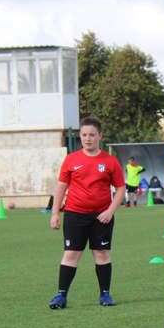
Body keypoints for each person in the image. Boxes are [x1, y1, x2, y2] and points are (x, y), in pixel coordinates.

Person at [48, 116, 126, 309]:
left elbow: (121, 189)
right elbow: (61, 187)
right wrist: (55, 213)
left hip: (102, 216)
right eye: (84, 135)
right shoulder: (71, 160)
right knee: (71, 254)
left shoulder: (110, 161)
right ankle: (61, 295)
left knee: (101, 253)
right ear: (80, 136)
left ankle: (105, 294)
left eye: (92, 134)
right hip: (75, 214)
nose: (88, 138)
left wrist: (110, 211)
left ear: (100, 136)